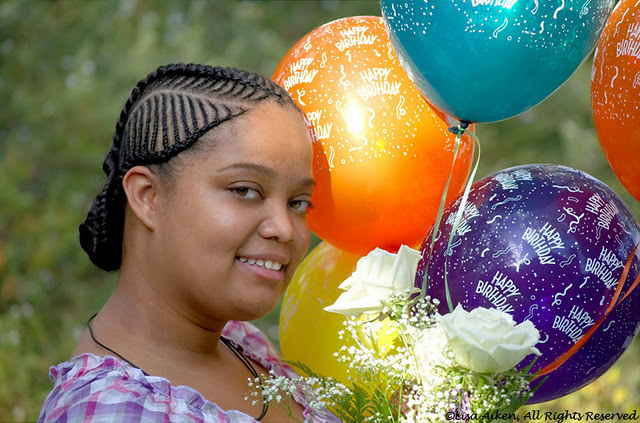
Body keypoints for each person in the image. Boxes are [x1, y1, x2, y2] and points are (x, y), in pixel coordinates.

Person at [38, 63, 339, 423]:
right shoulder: (112, 413)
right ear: (148, 196)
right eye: (245, 190)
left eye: (298, 203)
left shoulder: (243, 343)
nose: (285, 229)